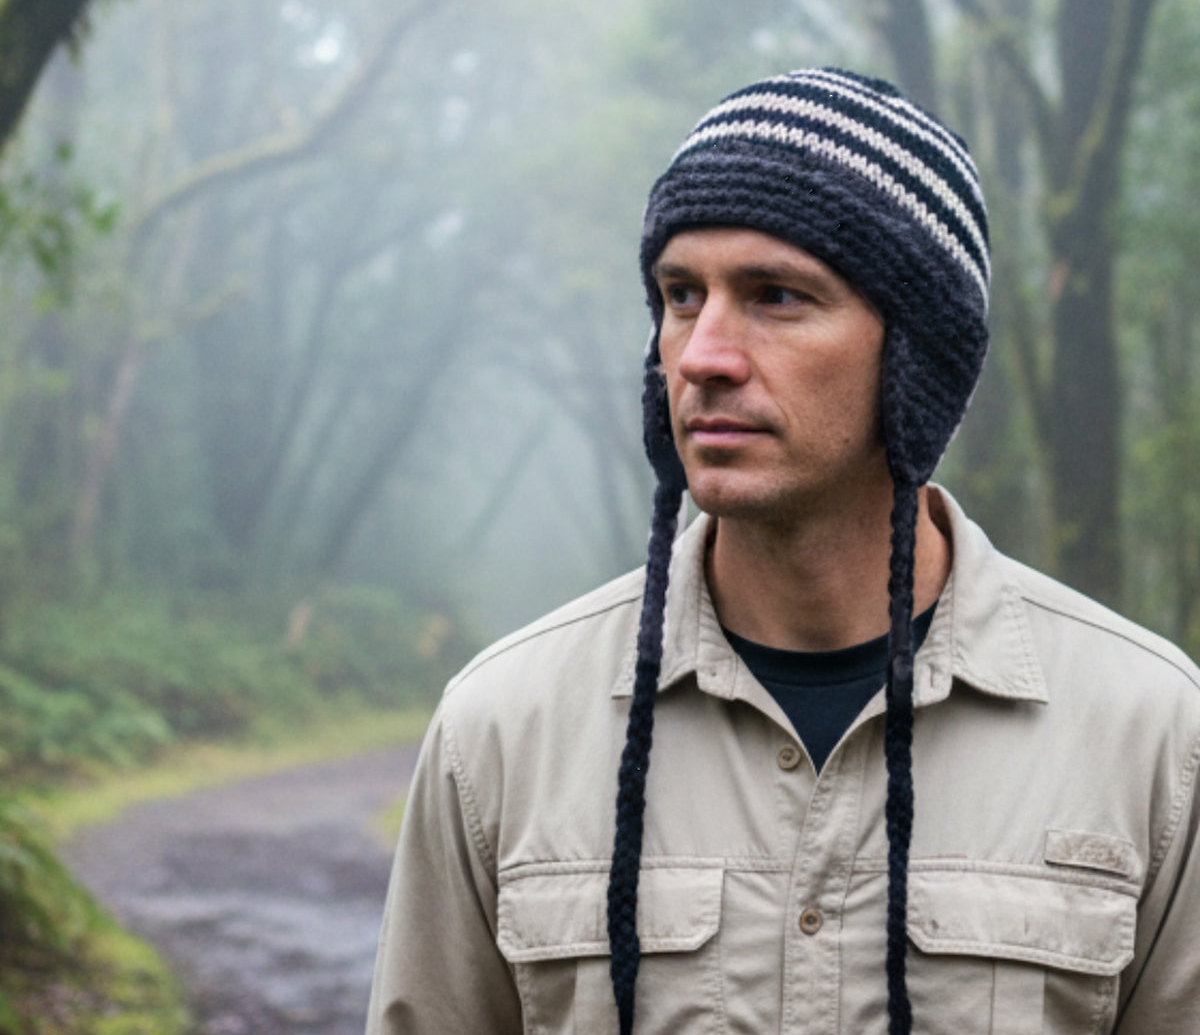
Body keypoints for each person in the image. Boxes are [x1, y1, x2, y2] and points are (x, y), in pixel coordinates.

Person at [364, 68, 1200, 1035]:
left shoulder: (1151, 735)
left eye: (775, 295)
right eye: (682, 294)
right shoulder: (502, 729)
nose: (704, 353)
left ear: (916, 353)